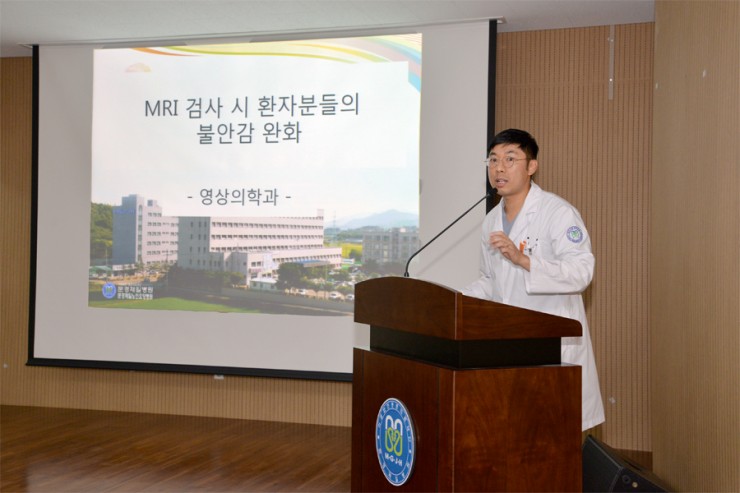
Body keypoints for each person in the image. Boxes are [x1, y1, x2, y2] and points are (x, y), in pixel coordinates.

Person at [463, 128, 605, 431]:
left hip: (552, 348)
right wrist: (457, 299)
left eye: (510, 159)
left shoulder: (558, 213)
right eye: (493, 160)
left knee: (553, 436)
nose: (499, 168)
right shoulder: (490, 220)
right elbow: (491, 280)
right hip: (510, 346)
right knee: (514, 434)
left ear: (531, 166)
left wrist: (523, 260)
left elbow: (581, 272)